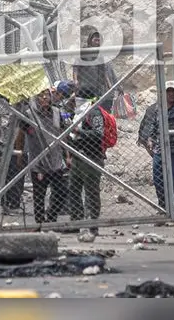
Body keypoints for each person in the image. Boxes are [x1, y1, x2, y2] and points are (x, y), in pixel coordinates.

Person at [137, 80, 174, 219]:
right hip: (160, 151)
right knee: (159, 181)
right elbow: (152, 128)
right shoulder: (157, 109)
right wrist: (150, 140)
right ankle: (164, 209)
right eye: (168, 91)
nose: (171, 94)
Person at [17, 87, 69, 225]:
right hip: (38, 161)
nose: (45, 98)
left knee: (62, 192)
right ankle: (40, 223)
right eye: (41, 95)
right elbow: (21, 134)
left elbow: (63, 136)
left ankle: (51, 216)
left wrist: (67, 155)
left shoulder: (57, 113)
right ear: (35, 98)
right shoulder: (29, 115)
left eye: (47, 95)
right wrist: (20, 152)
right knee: (39, 195)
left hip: (56, 160)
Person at [68, 98, 105, 241]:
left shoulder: (93, 112)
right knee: (73, 190)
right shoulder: (77, 112)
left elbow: (98, 133)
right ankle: (76, 222)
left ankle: (93, 225)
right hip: (77, 157)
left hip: (92, 157)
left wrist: (79, 131)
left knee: (91, 193)